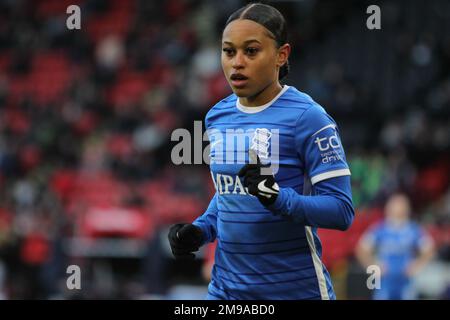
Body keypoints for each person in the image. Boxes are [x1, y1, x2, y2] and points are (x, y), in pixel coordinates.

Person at [168, 3, 354, 300]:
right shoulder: (217, 116)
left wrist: (279, 199)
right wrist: (201, 229)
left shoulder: (308, 117)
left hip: (294, 292)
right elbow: (230, 194)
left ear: (282, 55)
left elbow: (342, 211)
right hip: (225, 293)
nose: (237, 62)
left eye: (251, 51)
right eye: (229, 51)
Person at [355, 193, 434, 300]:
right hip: (384, 280)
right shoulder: (379, 229)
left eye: (401, 204)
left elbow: (429, 249)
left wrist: (416, 266)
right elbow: (362, 249)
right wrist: (373, 266)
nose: (397, 207)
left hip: (406, 280)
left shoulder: (414, 230)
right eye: (394, 204)